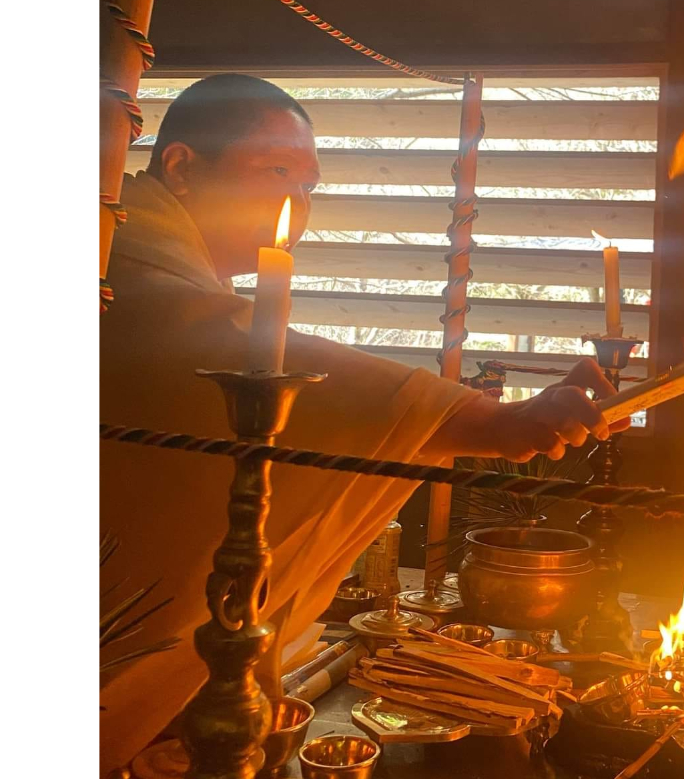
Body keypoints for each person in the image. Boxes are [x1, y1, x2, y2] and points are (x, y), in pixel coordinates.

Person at [99, 75, 628, 775]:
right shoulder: (113, 254)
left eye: (311, 184)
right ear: (181, 167)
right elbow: (207, 346)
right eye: (277, 170)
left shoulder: (155, 252)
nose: (298, 201)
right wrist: (484, 421)